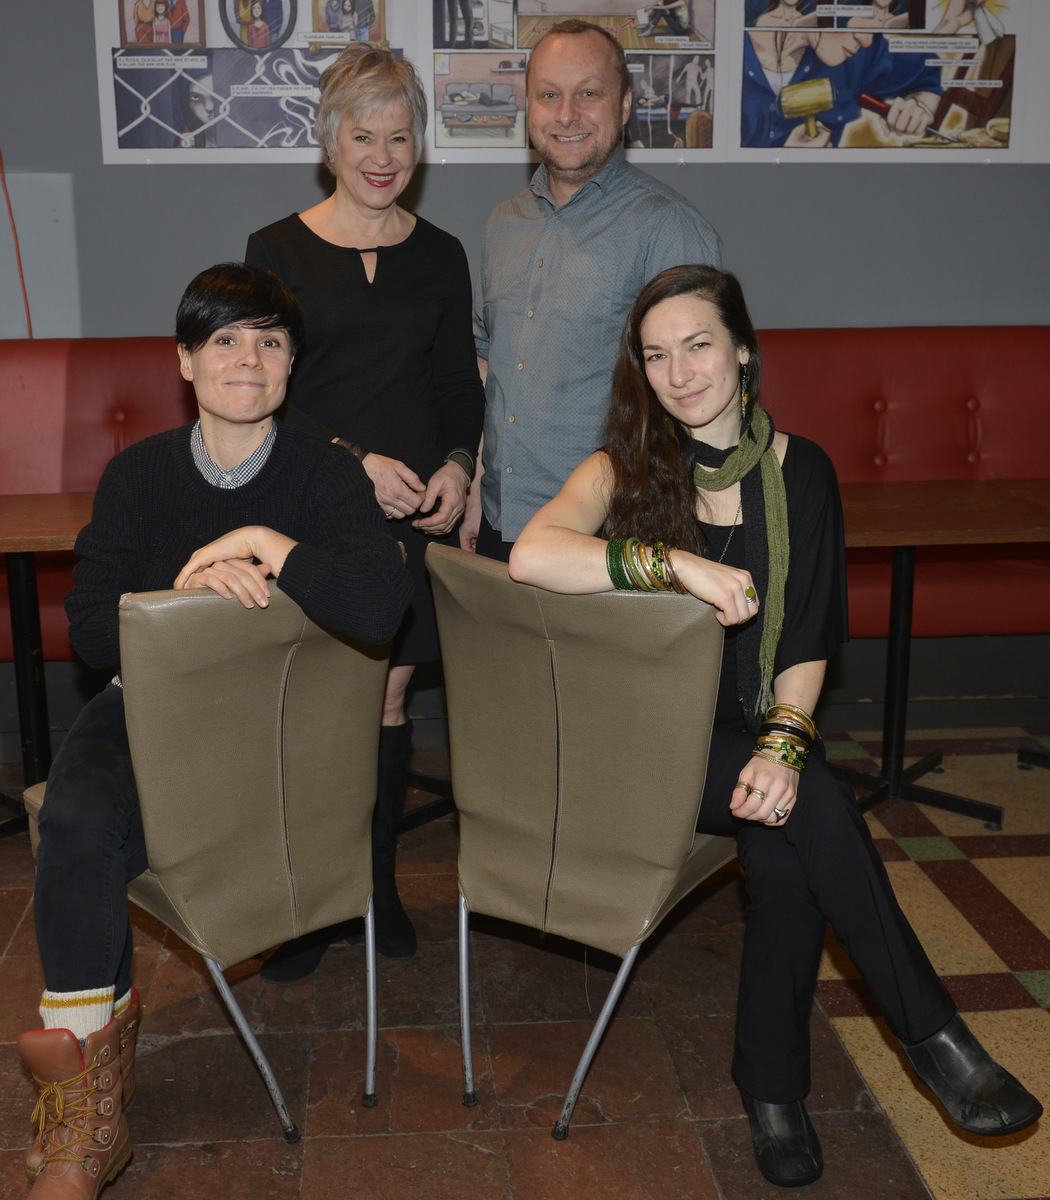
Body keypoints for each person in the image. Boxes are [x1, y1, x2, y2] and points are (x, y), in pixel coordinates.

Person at [509, 264, 1043, 1188]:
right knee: (815, 814)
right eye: (658, 355)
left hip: (754, 728)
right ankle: (935, 1039)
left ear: (744, 351)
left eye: (700, 345)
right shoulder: (619, 473)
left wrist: (784, 744)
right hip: (644, 742)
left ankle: (773, 1090)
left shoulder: (806, 474)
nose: (681, 373)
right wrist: (676, 565)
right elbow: (530, 556)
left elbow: (804, 635)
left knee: (793, 837)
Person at [16, 262, 412, 1200]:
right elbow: (89, 626)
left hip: (276, 732)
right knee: (75, 824)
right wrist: (182, 599)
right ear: (186, 361)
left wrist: (269, 546)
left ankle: (86, 1098)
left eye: (271, 342)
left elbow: (381, 603)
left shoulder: (325, 477)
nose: (250, 358)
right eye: (226, 339)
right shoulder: (137, 475)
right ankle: (86, 1102)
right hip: (149, 704)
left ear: (290, 369)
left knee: (98, 841)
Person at [245, 44, 484, 974]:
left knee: (388, 695)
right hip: (311, 501)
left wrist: (460, 468)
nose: (382, 154)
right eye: (363, 134)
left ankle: (375, 885)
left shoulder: (443, 254)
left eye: (400, 135)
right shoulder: (276, 250)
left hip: (415, 517)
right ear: (328, 139)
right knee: (314, 696)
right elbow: (265, 391)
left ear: (418, 146)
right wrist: (354, 463)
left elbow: (456, 388)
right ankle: (306, 902)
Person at [466, 19, 722, 563]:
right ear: (528, 107)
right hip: (499, 521)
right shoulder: (501, 224)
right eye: (549, 96)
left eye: (589, 94)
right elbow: (493, 369)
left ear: (625, 106)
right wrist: (478, 485)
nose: (566, 115)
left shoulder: (668, 228)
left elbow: (701, 398)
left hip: (612, 537)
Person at [742, 25, 943, 147]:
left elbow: (926, 73)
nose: (865, 40)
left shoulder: (857, 55)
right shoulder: (722, 55)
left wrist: (918, 106)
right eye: (852, 15)